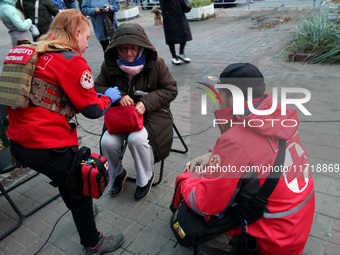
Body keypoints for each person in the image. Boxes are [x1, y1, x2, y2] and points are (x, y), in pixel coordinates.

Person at [6, 9, 124, 254]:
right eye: (87, 38)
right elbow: (91, 111)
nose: (88, 45)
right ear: (76, 32)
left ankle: (82, 212)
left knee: (66, 175)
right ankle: (93, 242)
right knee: (81, 182)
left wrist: (93, 96)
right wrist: (109, 99)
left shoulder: (37, 51)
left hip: (19, 142)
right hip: (45, 143)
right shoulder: (71, 60)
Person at [176, 63, 315, 254]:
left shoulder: (236, 141)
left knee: (190, 224)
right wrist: (214, 153)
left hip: (273, 241)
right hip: (296, 225)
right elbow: (254, 151)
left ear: (230, 97)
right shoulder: (278, 117)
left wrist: (187, 179)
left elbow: (205, 204)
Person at [94, 23, 178, 201]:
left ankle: (144, 178)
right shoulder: (109, 65)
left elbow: (171, 90)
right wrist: (118, 96)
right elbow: (98, 86)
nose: (129, 54)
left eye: (133, 48)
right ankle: (117, 174)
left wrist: (147, 103)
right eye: (124, 49)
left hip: (152, 115)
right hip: (122, 116)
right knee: (107, 141)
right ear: (116, 49)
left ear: (142, 47)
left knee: (136, 139)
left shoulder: (157, 64)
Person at [159, 0, 192, 65]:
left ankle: (181, 53)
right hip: (169, 16)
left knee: (185, 33)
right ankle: (174, 56)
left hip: (179, 14)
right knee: (171, 37)